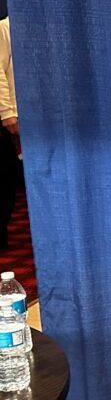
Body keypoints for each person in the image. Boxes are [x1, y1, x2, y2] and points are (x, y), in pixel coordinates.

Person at [0, 16, 20, 250]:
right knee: (7, 176)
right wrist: (7, 112)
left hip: (42, 115)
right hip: (12, 114)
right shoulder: (5, 28)